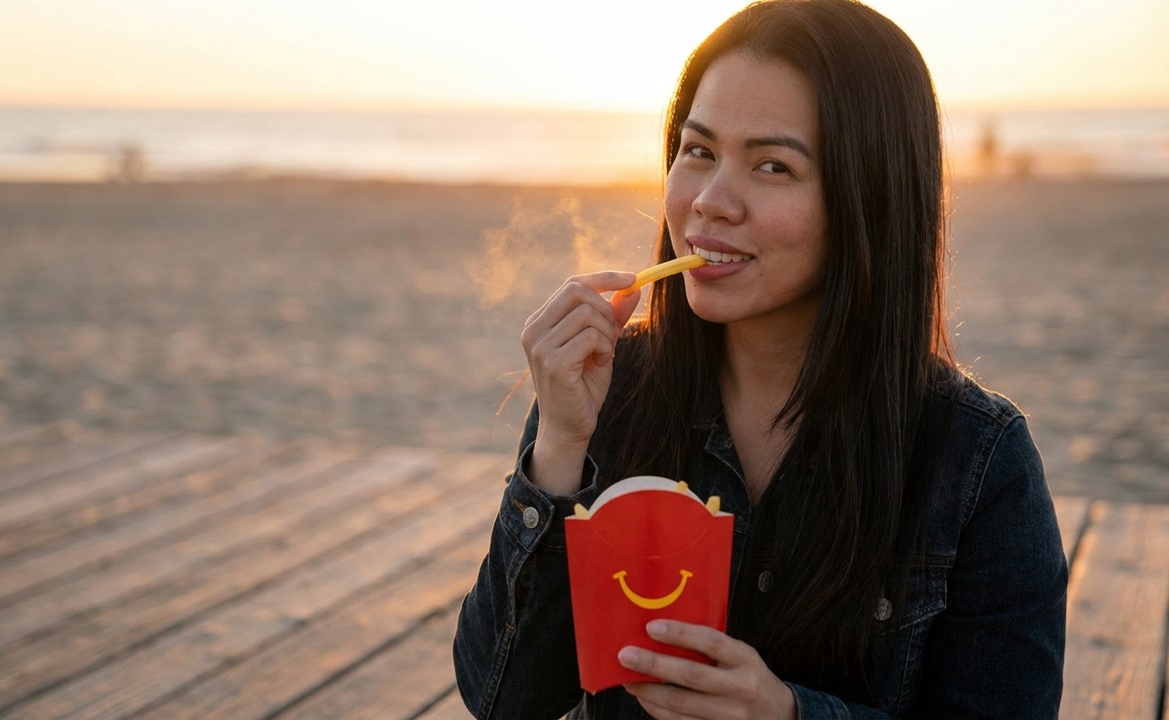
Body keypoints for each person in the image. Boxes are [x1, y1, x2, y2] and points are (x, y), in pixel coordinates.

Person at [452, 0, 1067, 717]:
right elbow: (505, 698)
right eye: (699, 151)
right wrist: (558, 447)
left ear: (868, 198)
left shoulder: (977, 462)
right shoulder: (607, 390)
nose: (710, 202)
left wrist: (788, 714)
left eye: (772, 165)